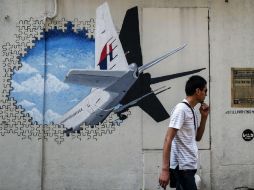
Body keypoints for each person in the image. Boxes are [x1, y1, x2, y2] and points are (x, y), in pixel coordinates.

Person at [159, 75, 209, 190]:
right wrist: (165, 170)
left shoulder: (191, 110)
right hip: (182, 167)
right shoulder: (181, 109)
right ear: (197, 91)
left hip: (189, 166)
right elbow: (168, 139)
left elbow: (197, 137)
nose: (206, 94)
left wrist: (204, 117)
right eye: (205, 90)